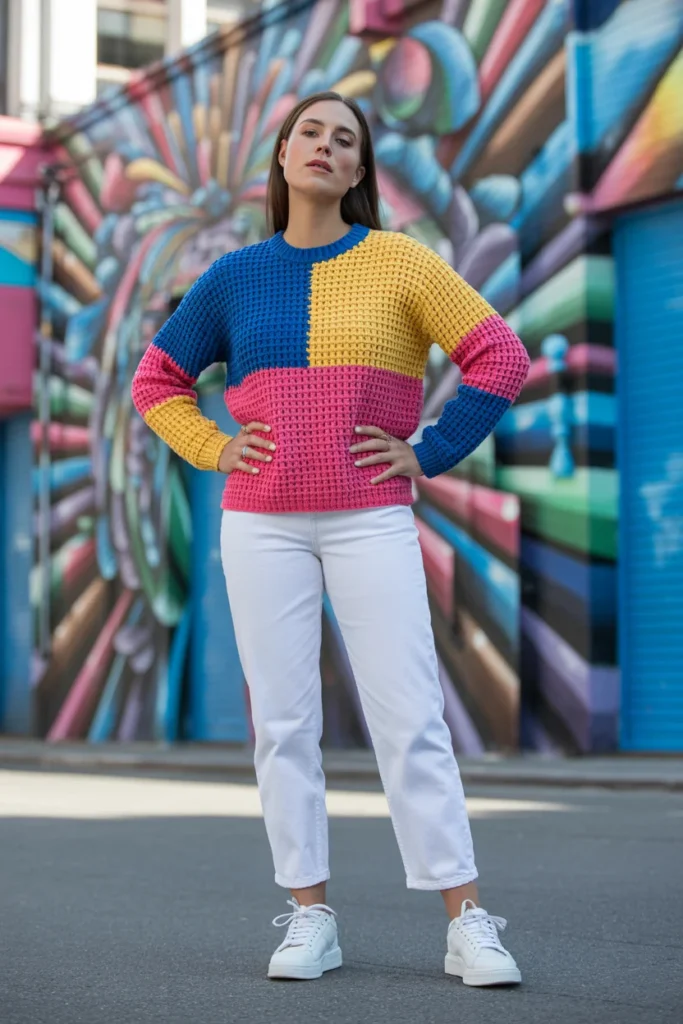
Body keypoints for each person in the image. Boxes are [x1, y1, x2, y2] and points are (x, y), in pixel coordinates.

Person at [131, 90, 530, 987]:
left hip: (368, 515)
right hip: (260, 522)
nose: (323, 145)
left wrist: (427, 451)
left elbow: (499, 356)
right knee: (282, 724)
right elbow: (156, 380)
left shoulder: (399, 261)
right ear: (281, 156)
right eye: (308, 131)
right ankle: (310, 916)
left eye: (343, 138)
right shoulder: (232, 277)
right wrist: (215, 444)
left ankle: (466, 919)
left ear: (357, 172)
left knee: (410, 715)